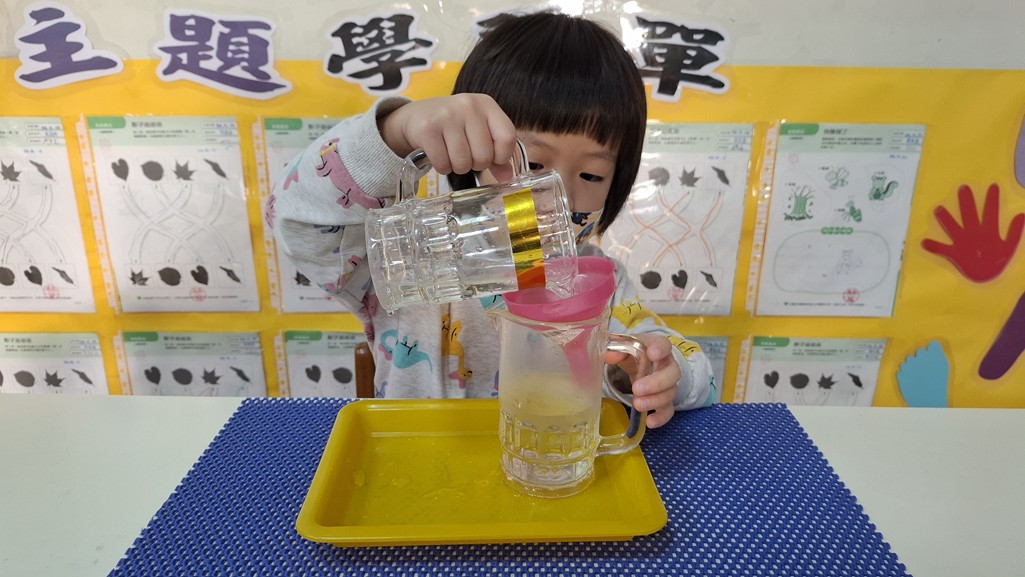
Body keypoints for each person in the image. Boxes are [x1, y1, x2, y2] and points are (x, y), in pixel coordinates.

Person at [267, 11, 716, 428]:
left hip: (546, 471)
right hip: (420, 463)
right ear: (471, 152)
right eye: (532, 165)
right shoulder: (411, 257)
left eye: (592, 174)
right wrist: (396, 132)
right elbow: (298, 221)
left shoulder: (602, 282)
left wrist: (653, 373)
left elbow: (693, 369)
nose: (557, 197)